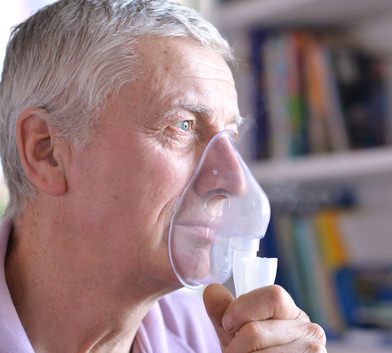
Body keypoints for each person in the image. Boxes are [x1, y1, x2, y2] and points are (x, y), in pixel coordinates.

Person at [0, 1, 327, 352]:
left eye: (229, 138)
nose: (235, 181)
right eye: (182, 125)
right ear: (46, 152)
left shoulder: (212, 337)